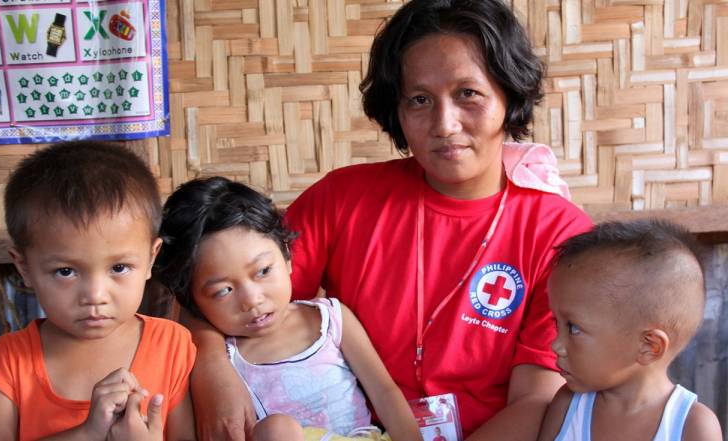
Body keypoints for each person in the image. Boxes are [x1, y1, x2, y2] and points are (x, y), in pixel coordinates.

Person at [188, 0, 594, 439]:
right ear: (396, 112)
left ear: (508, 94)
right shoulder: (343, 199)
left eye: (468, 93)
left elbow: (536, 400)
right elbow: (217, 294)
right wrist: (210, 367)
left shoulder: (558, 232)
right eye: (419, 100)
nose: (444, 123)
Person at [153, 176, 422, 441]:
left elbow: (384, 392)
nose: (252, 300)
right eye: (223, 290)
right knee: (277, 430)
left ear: (287, 256)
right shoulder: (219, 359)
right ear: (193, 302)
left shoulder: (331, 319)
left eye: (263, 271)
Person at [0, 141, 196, 441]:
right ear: (24, 267)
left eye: (119, 268)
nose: (95, 295)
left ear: (151, 258)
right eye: (66, 271)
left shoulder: (172, 346)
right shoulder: (9, 361)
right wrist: (87, 433)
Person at [537, 220, 722, 441]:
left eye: (574, 328)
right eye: (557, 323)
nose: (556, 345)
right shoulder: (568, 405)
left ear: (648, 346)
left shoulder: (691, 426)